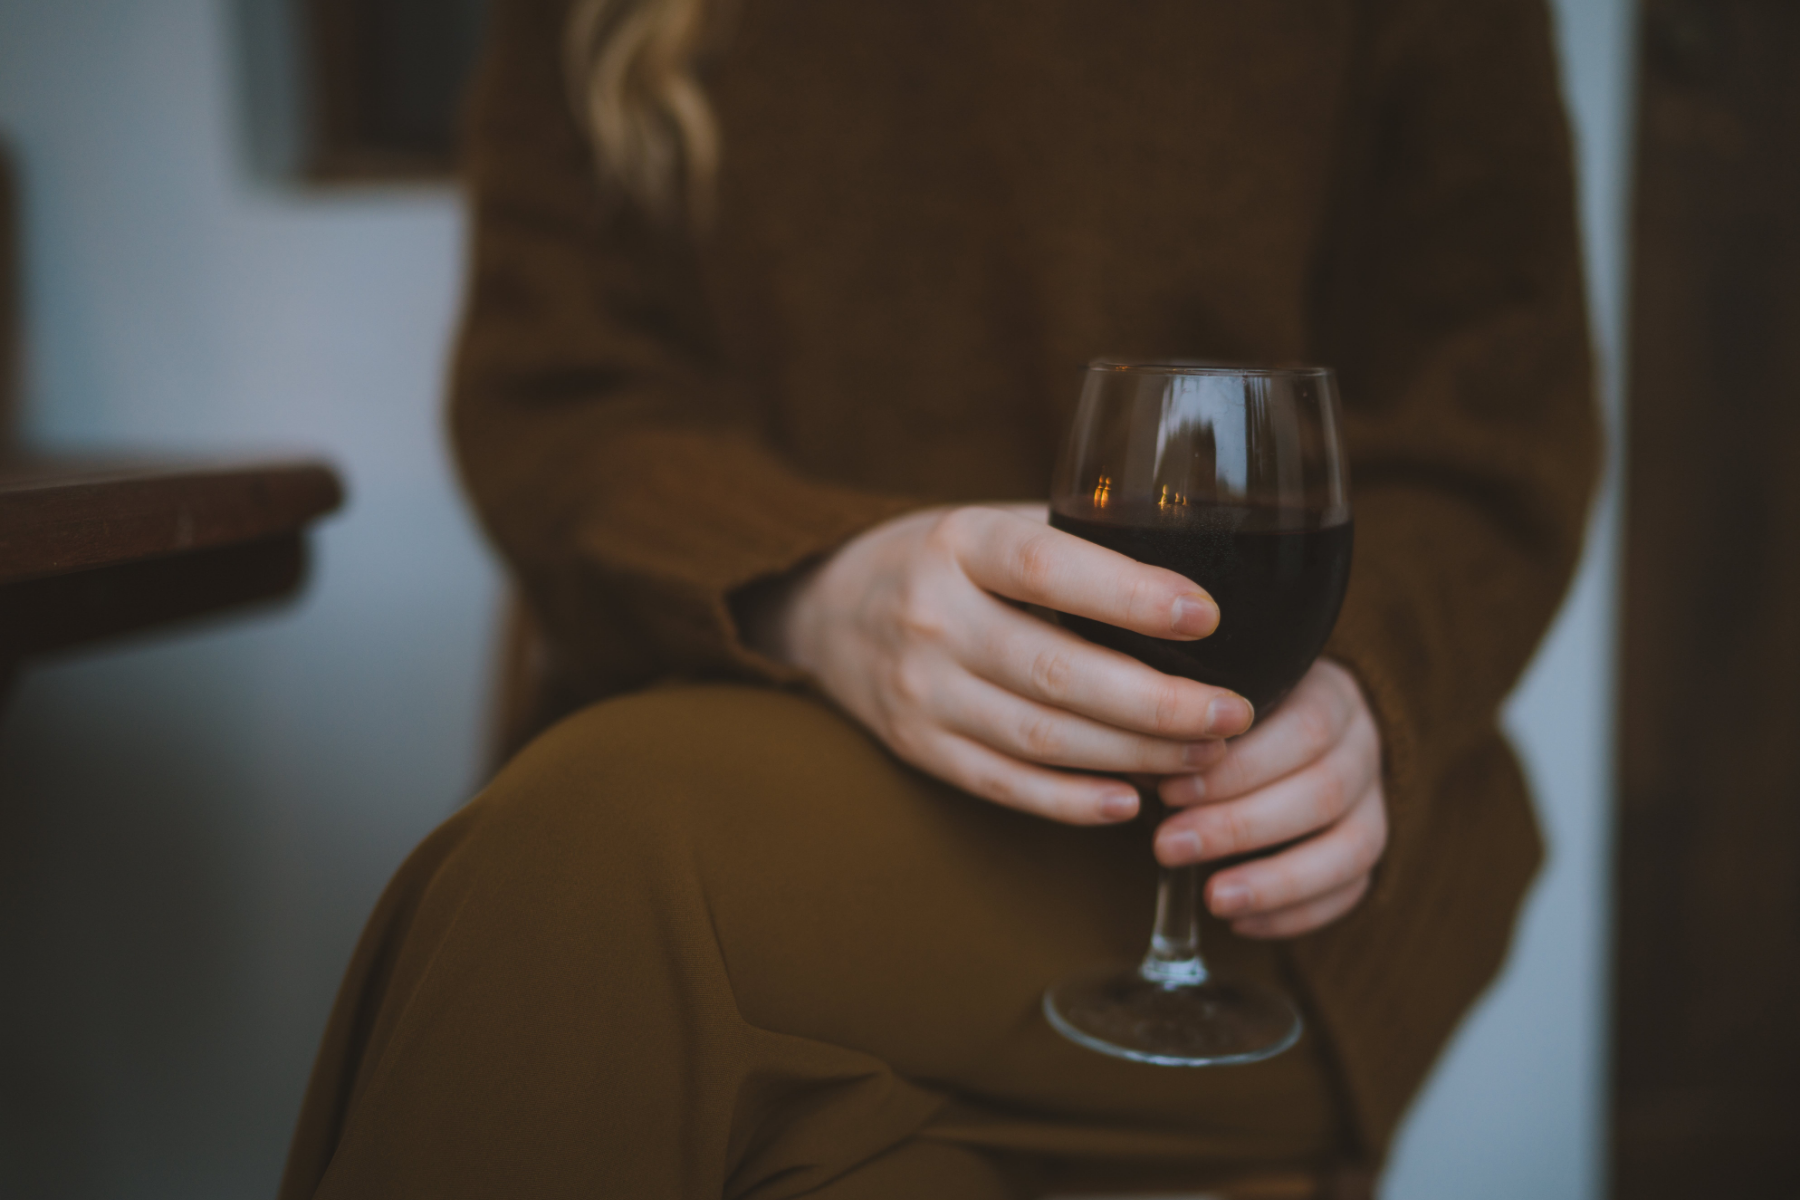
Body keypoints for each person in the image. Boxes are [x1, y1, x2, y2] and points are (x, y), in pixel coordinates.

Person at [280, 0, 1599, 1195]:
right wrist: (817, 584)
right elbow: (555, 399)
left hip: (1239, 855)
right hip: (778, 785)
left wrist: (1364, 676)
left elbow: (1492, 431)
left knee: (568, 884)